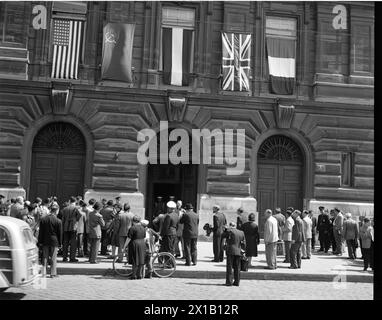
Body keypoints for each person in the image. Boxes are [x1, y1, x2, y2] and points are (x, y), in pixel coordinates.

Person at [38, 205, 62, 278]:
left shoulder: (43, 219)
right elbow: (60, 233)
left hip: (45, 240)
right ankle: (53, 273)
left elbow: (41, 232)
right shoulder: (58, 221)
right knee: (53, 257)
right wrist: (60, 243)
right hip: (54, 241)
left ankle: (43, 273)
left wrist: (40, 241)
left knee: (44, 257)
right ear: (56, 211)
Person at [222, 222, 245, 286]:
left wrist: (225, 229)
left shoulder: (229, 231)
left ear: (230, 226)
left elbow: (222, 235)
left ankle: (229, 282)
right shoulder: (241, 232)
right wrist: (243, 251)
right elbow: (243, 243)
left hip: (230, 251)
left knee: (230, 267)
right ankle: (237, 282)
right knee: (237, 267)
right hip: (238, 251)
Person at [61, 196, 82, 262]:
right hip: (73, 226)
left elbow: (63, 218)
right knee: (73, 243)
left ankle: (64, 257)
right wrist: (76, 220)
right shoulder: (76, 208)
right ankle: (72, 257)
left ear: (69, 201)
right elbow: (80, 215)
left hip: (66, 226)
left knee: (65, 242)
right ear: (75, 201)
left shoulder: (65, 209)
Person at [127, 215, 146, 280]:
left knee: (135, 260)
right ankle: (139, 275)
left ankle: (133, 275)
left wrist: (124, 246)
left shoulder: (132, 228)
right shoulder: (143, 228)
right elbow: (144, 236)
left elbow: (129, 238)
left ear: (133, 221)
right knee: (141, 260)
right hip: (142, 244)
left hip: (135, 243)